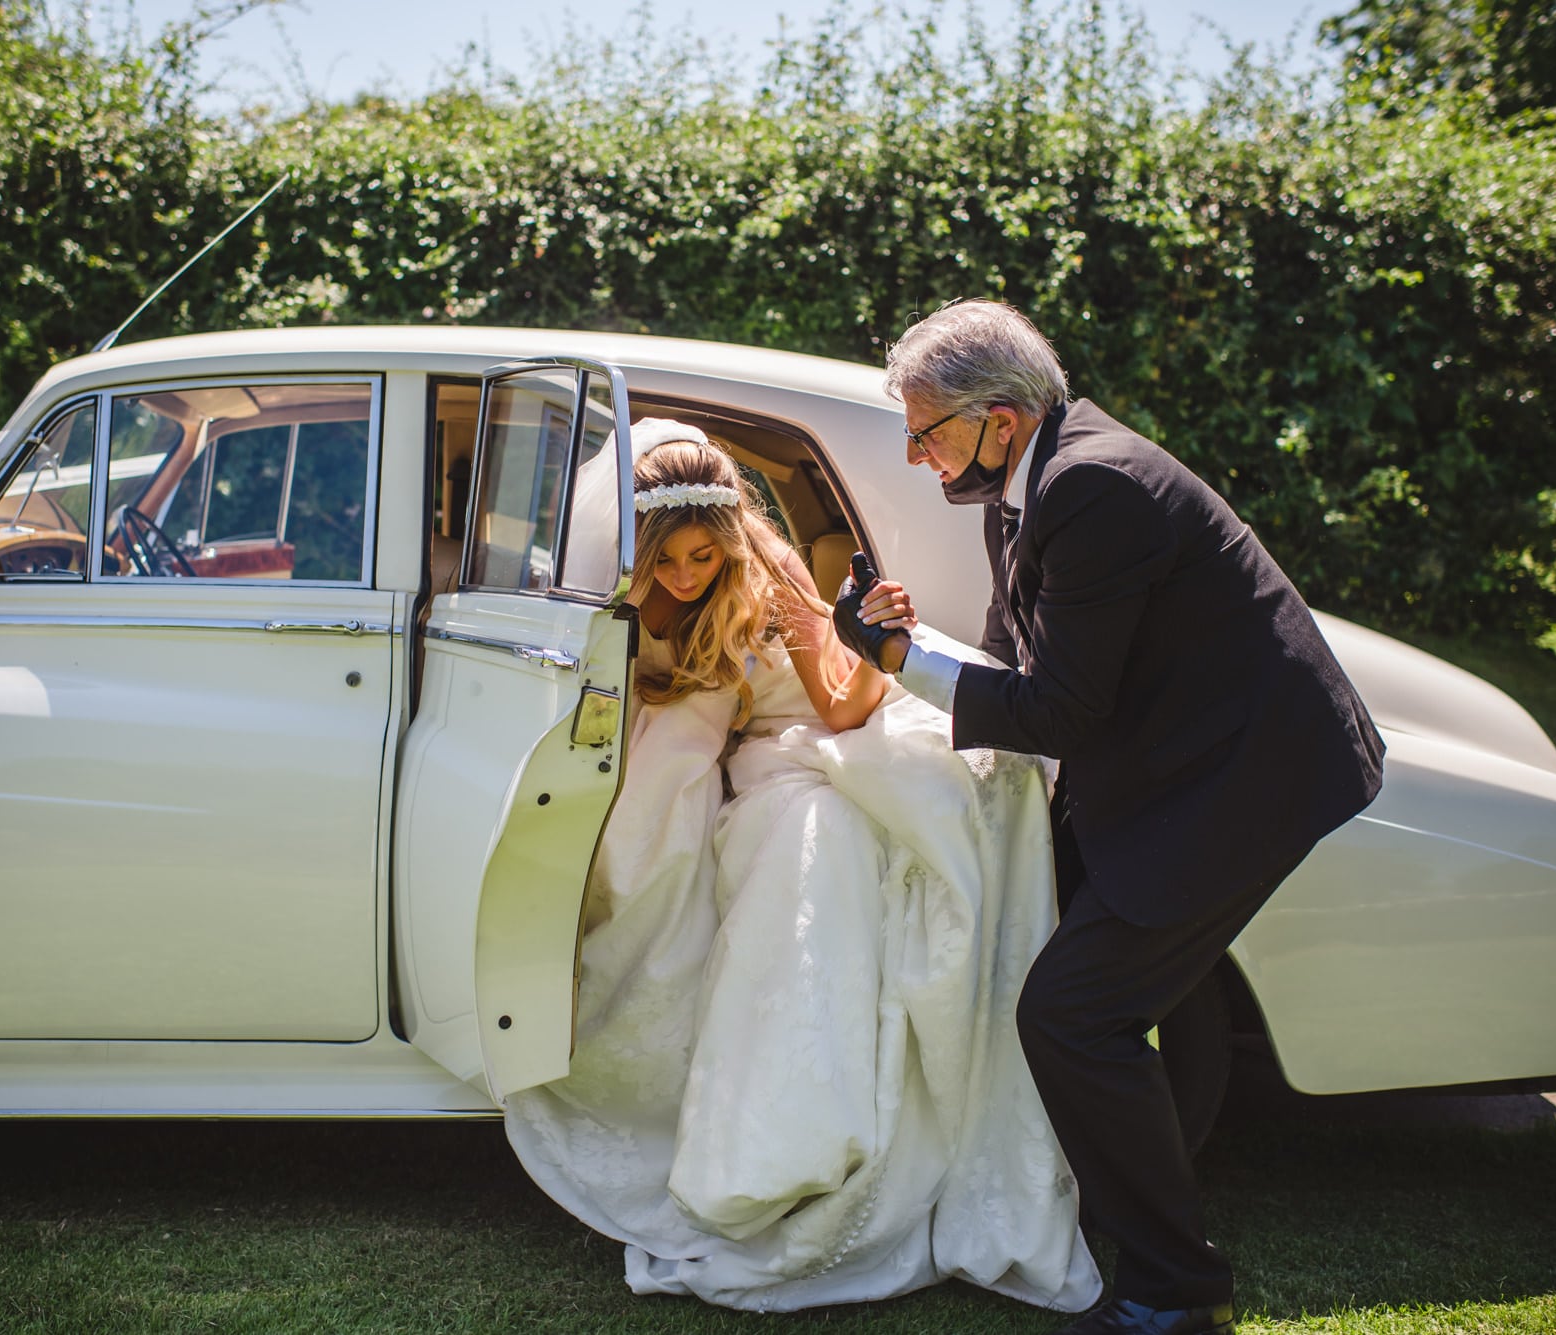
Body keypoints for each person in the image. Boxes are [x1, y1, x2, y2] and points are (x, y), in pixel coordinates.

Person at [834, 299, 1386, 1335]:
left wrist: (897, 662)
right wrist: (911, 638)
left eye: (924, 433)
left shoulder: (1092, 483)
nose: (914, 457)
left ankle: (1176, 1292)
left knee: (1070, 1014)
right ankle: (1125, 1217)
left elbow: (1059, 709)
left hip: (1237, 780)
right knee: (1157, 1002)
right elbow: (1026, 654)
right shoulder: (1033, 474)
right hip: (1170, 759)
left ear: (998, 417)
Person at [503, 417, 1103, 1314]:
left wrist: (868, 640)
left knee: (856, 832)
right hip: (741, 742)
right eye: (665, 560)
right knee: (651, 842)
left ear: (731, 533)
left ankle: (825, 1139)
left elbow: (842, 704)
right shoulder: (625, 597)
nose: (684, 575)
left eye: (704, 556)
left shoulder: (769, 569)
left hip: (818, 734)